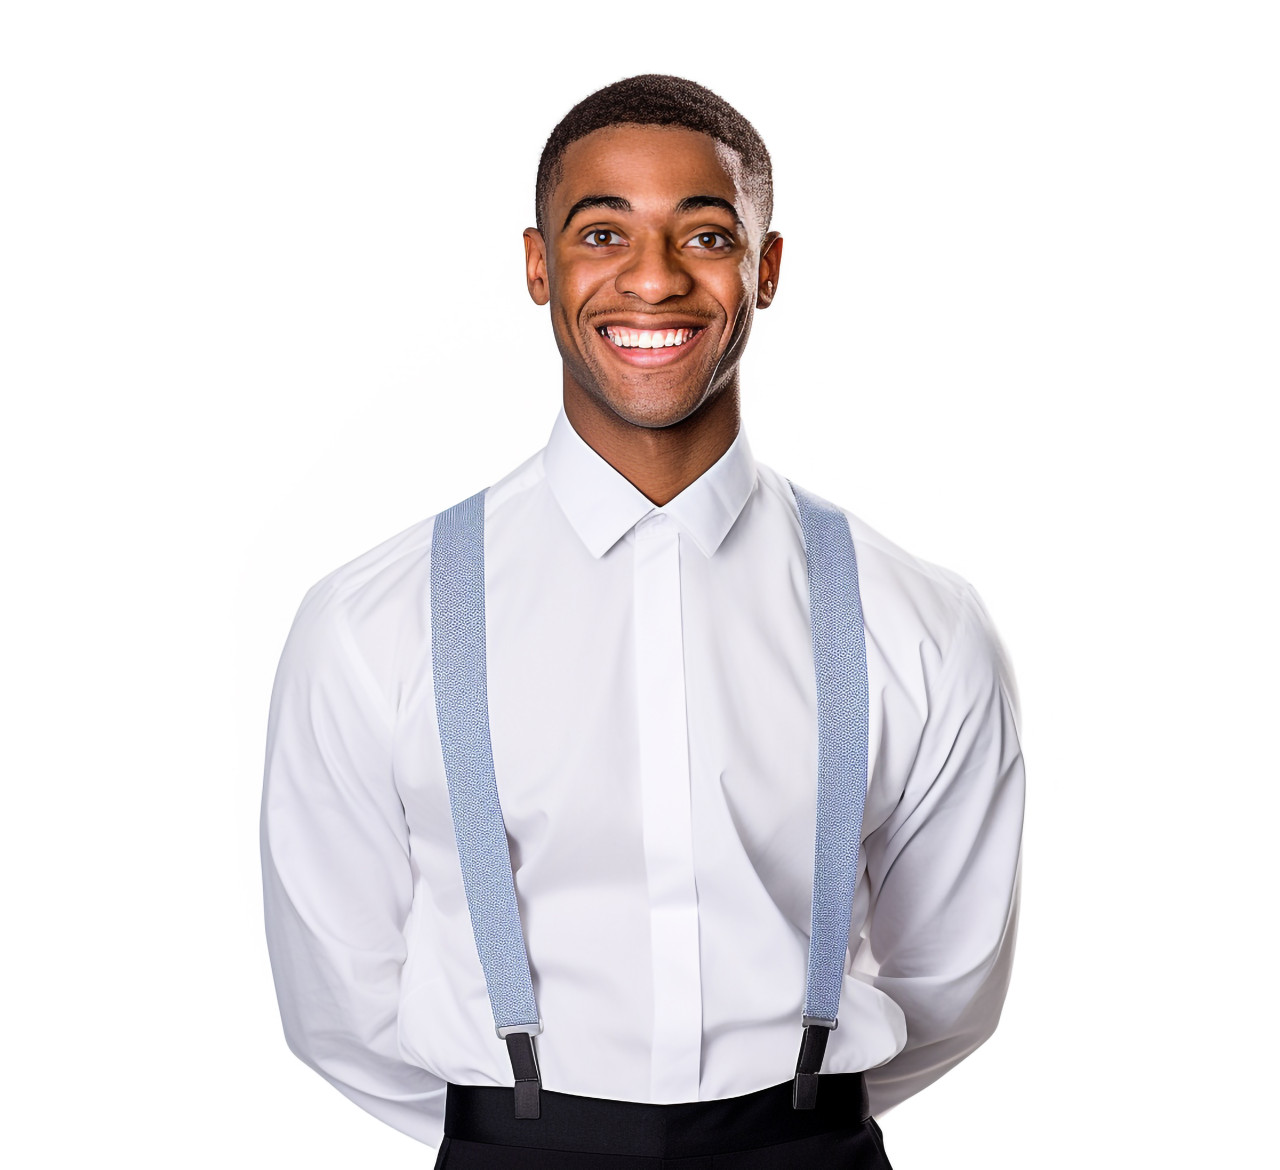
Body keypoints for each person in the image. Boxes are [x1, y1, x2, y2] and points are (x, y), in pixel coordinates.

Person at [260, 74, 1025, 1169]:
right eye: (602, 230)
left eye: (704, 233)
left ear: (764, 270)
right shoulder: (371, 621)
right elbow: (336, 1000)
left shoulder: (918, 624)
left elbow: (948, 985)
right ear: (539, 266)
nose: (653, 279)